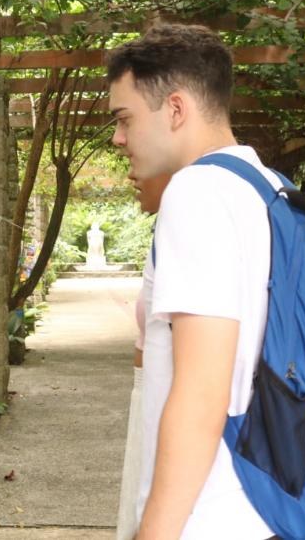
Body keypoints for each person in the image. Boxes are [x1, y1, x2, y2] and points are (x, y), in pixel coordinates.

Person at [108, 23, 276, 539]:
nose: (118, 139)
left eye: (124, 119)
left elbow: (203, 389)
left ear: (175, 109)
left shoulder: (197, 193)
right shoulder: (270, 188)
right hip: (265, 500)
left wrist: (154, 533)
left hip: (210, 514)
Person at [116, 172, 171, 540]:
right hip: (148, 390)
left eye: (127, 121)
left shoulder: (191, 222)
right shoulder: (167, 229)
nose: (120, 142)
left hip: (167, 399)